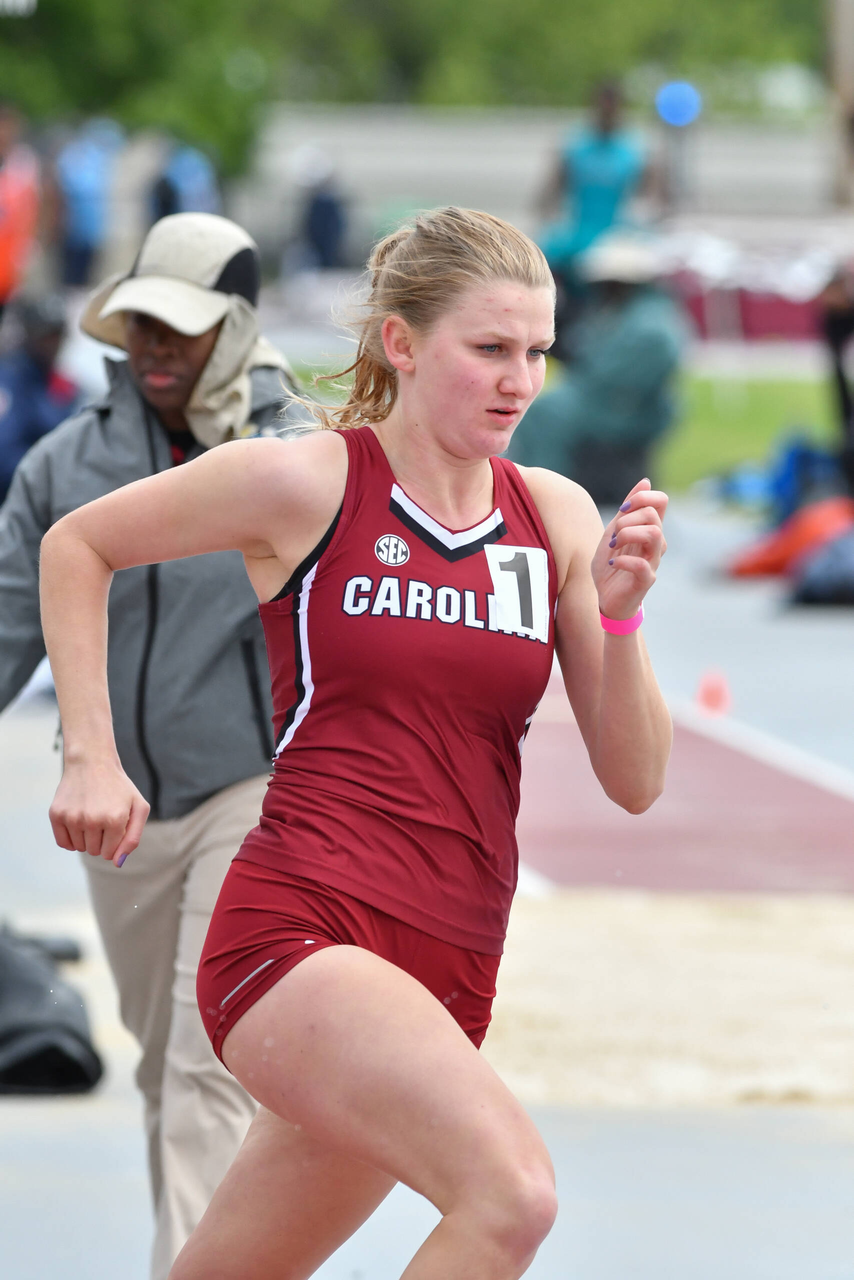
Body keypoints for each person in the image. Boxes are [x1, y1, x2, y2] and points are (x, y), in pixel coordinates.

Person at [38, 206, 671, 1279]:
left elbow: (636, 779)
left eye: (536, 353)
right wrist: (91, 755)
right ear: (401, 343)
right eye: (490, 348)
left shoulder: (554, 517)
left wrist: (618, 616)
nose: (519, 381)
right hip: (301, 932)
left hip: (451, 965)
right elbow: (79, 544)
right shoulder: (310, 482)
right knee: (509, 1196)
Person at [0, 211, 310, 1279]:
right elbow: (9, 622)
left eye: (182, 326)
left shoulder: (298, 457)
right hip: (115, 810)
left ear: (237, 327)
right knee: (159, 1064)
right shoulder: (65, 463)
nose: (156, 346)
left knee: (208, 1062)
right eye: (140, 323)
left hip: (253, 793)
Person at [509, 234, 686, 505]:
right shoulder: (620, 311)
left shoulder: (650, 326)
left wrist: (579, 359)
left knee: (546, 412)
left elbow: (613, 377)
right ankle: (527, 486)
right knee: (542, 403)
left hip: (624, 410)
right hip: (604, 399)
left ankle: (545, 494)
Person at [0, 293, 80, 503]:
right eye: (45, 335)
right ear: (27, 334)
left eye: (58, 334)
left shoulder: (62, 381)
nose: (53, 343)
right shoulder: (8, 380)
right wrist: (57, 471)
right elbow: (4, 456)